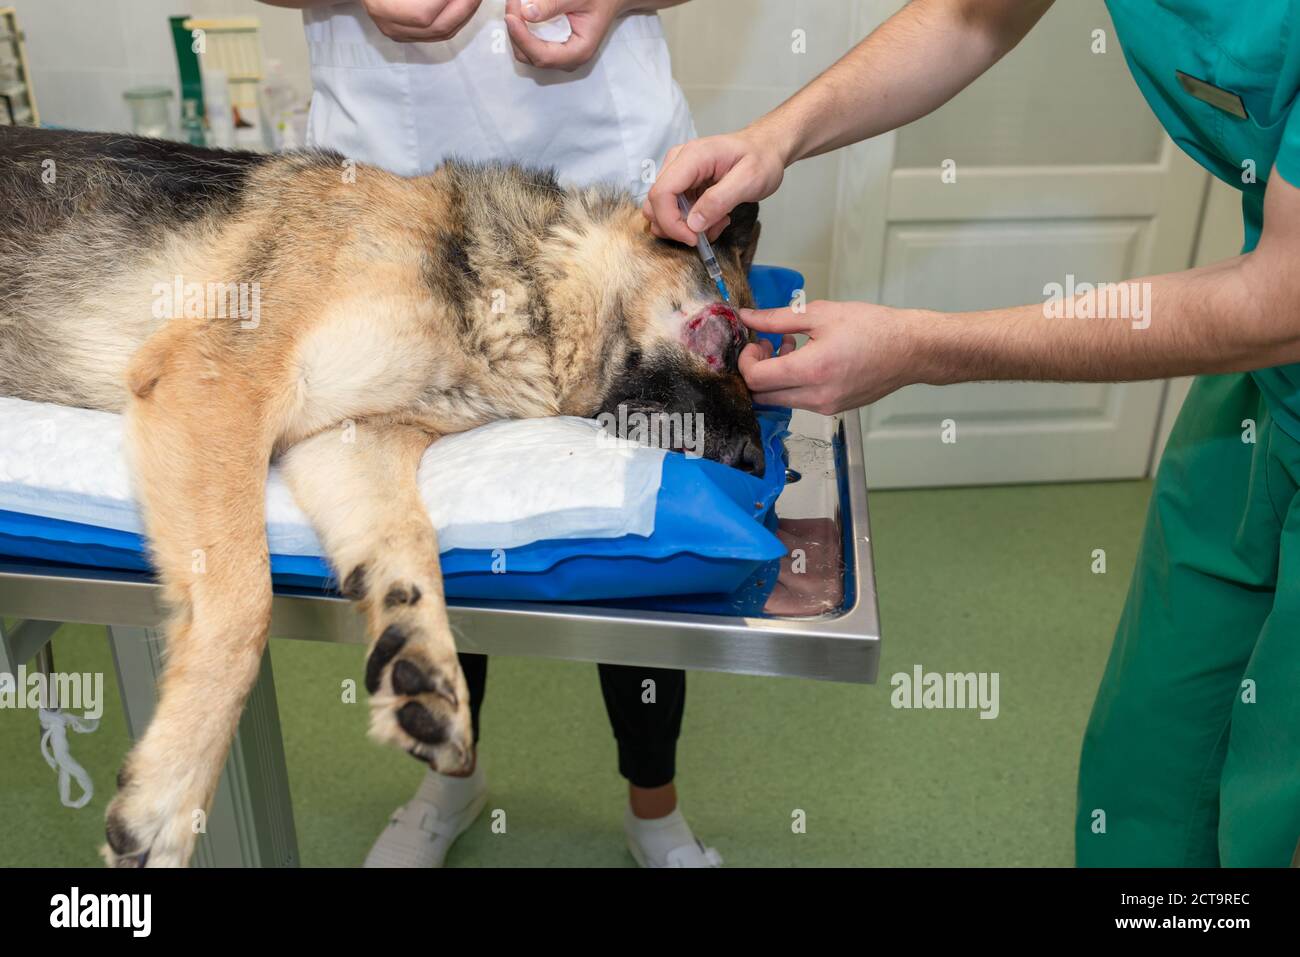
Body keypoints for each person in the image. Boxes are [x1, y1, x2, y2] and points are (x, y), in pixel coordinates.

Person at [644, 0, 1300, 867]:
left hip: (1276, 318)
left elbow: (1281, 299)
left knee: (1273, 799)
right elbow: (972, 16)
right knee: (1152, 761)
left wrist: (925, 347)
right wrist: (776, 138)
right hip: (1264, 398)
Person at [260, 0, 721, 868]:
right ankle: (449, 776)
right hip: (393, 198)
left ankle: (654, 808)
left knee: (628, 524)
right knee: (428, 511)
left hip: (604, 194)